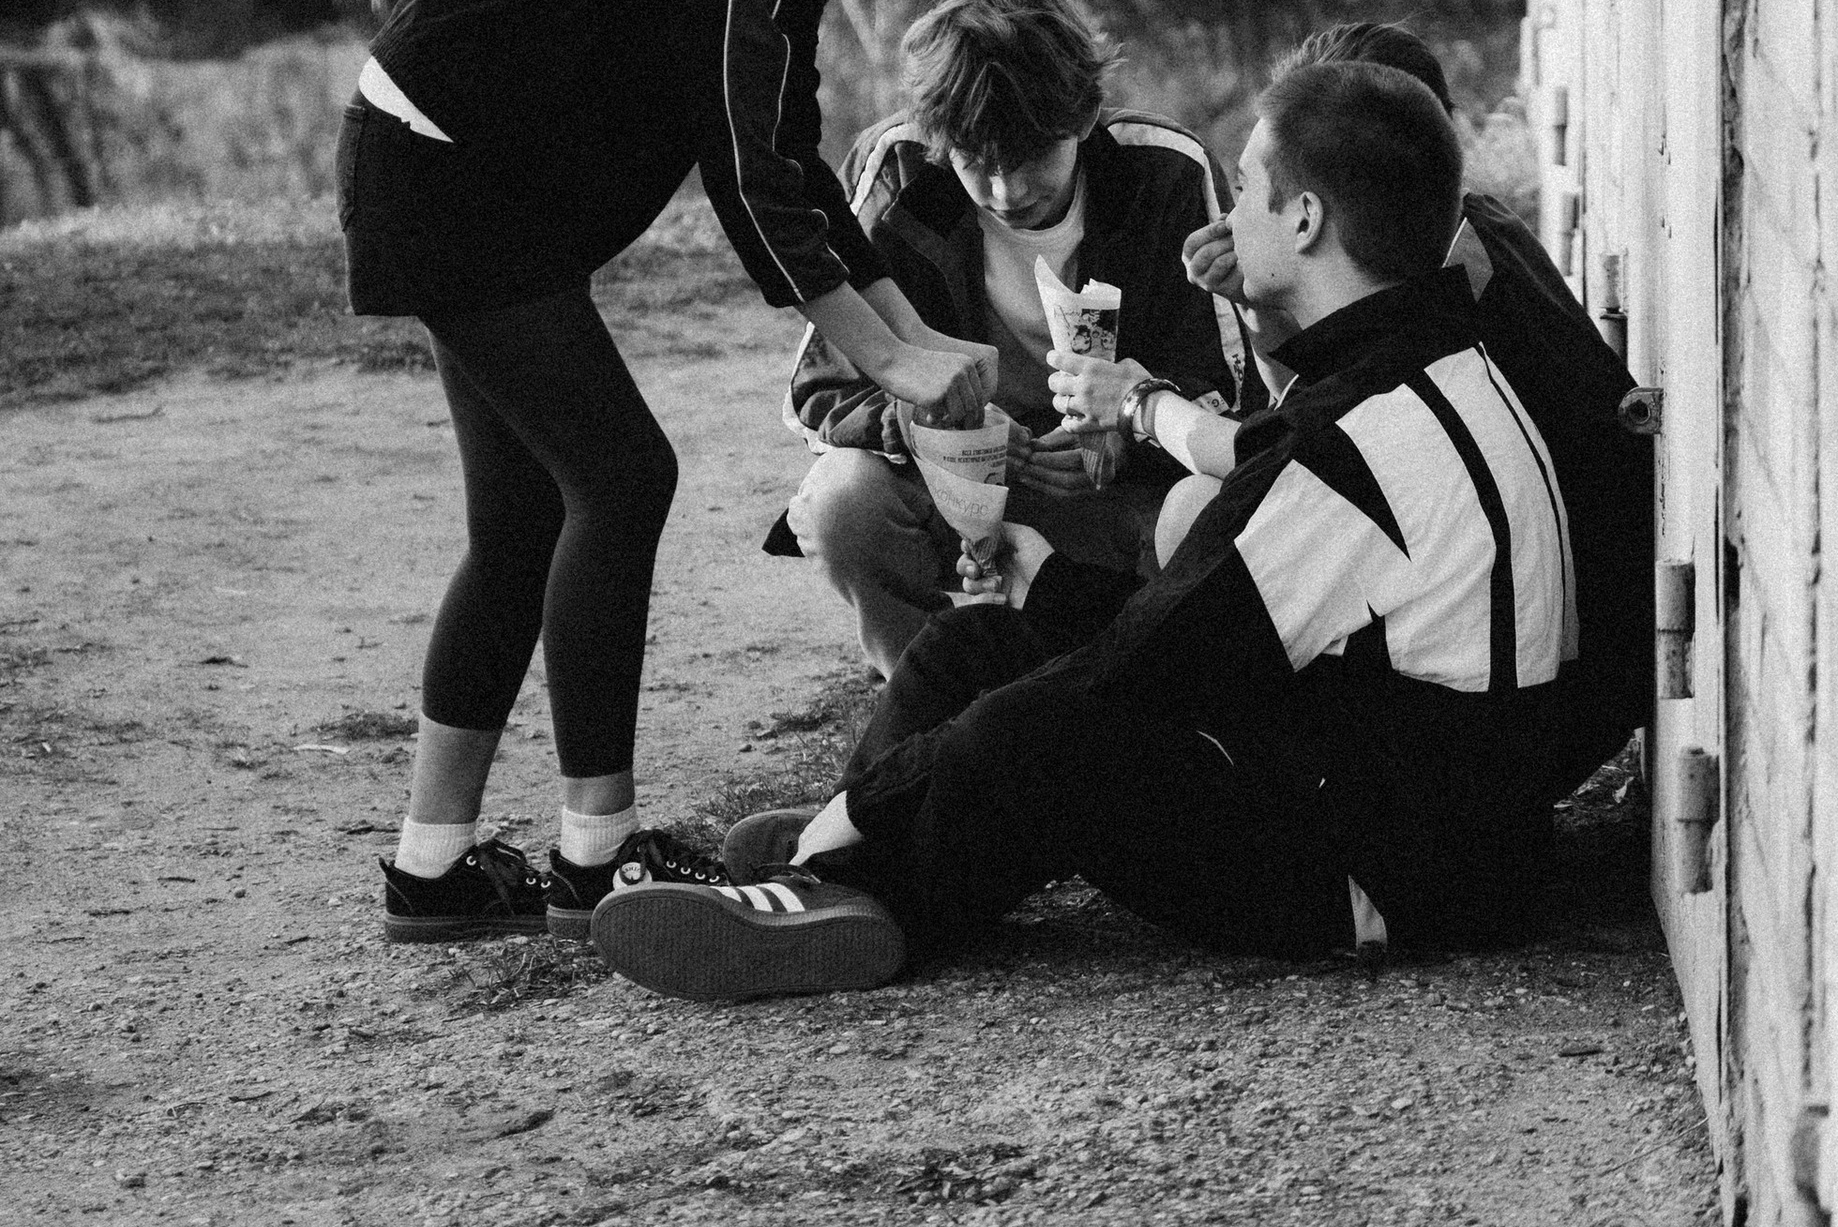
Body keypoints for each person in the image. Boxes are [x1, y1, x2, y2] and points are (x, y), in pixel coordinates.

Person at [587, 60, 1573, 1003]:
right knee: (987, 640)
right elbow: (1210, 623)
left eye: (1245, 191)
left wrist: (881, 799)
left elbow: (1144, 664)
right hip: (1359, 758)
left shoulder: (1347, 444)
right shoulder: (1421, 360)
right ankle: (857, 864)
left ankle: (853, 864)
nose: (1227, 218)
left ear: (1305, 219)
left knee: (1040, 730)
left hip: (1387, 876)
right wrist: (1045, 582)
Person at [338, 0, 1046, 946]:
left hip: (469, 176)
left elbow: (785, 141)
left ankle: (430, 872)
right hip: (447, 168)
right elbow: (741, 162)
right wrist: (881, 357)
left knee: (524, 517)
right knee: (621, 480)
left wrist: (909, 331)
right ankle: (595, 861)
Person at [1048, 16, 1651, 793]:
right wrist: (1264, 300)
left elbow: (1298, 459)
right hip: (1543, 680)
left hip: (1550, 696)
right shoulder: (1462, 242)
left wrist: (1143, 405)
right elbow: (1309, 423)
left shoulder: (1454, 285)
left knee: (1196, 514)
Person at [774, 0, 1254, 667]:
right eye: (976, 163)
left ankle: (1136, 670)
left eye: (1032, 160)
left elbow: (1232, 396)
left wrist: (1132, 426)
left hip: (1113, 497)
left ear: (1085, 115)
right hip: (955, 490)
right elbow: (817, 394)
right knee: (841, 498)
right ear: (941, 139)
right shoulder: (897, 171)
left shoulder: (1168, 174)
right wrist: (929, 429)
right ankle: (924, 686)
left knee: (1214, 506)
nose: (1005, 191)